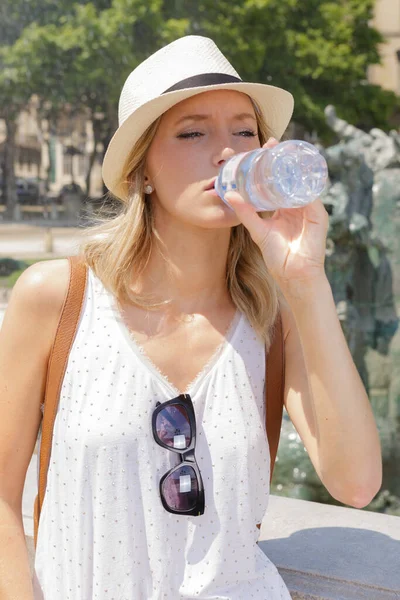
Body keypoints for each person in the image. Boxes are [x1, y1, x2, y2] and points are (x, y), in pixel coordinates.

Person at [0, 36, 382, 600]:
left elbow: (357, 483)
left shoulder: (275, 319)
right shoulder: (58, 297)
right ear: (142, 170)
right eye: (192, 132)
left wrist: (306, 283)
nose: (227, 153)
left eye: (244, 131)